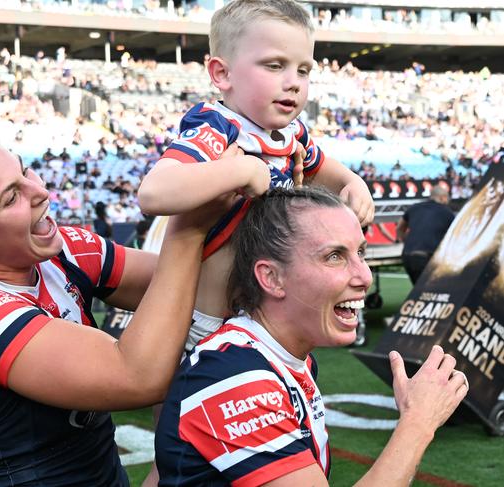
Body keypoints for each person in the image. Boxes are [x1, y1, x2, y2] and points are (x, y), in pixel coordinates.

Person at [0, 130, 226, 486]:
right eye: (10, 197)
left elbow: (191, 287)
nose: (41, 191)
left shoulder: (60, 251)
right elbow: (138, 376)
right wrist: (188, 226)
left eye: (23, 171)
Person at [155, 187, 468, 486]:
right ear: (271, 277)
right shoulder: (236, 378)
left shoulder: (285, 358)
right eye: (334, 256)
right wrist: (418, 422)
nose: (364, 276)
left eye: (361, 252)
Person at [138, 0, 374, 351]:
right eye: (275, 66)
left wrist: (354, 184)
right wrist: (239, 169)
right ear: (222, 74)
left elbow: (325, 169)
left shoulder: (292, 132)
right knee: (191, 398)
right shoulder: (216, 128)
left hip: (264, 317)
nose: (293, 83)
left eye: (304, 70)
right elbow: (154, 193)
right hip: (212, 323)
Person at [397, 184, 455, 284]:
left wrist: (404, 240)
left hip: (407, 255)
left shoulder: (414, 208)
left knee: (418, 289)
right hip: (426, 258)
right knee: (430, 290)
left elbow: (400, 227)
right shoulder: (447, 213)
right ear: (442, 197)